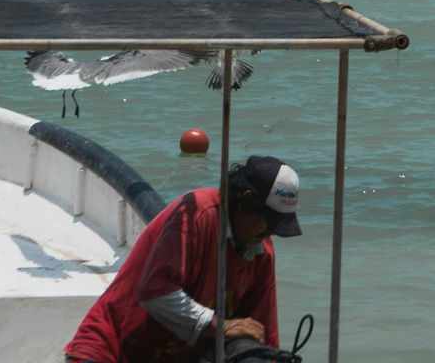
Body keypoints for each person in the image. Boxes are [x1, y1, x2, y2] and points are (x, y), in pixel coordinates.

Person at [65, 155, 302, 363]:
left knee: (250, 350)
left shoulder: (261, 251)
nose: (269, 234)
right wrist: (221, 325)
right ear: (245, 201)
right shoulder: (198, 214)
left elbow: (263, 332)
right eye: (268, 223)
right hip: (109, 351)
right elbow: (154, 293)